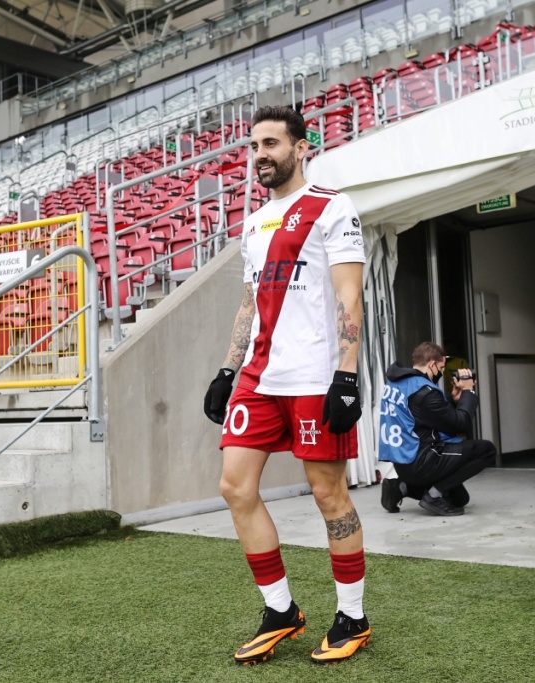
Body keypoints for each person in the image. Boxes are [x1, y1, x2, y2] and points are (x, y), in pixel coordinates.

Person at [202, 106, 370, 665]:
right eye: (254, 146)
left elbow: (349, 296)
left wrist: (347, 375)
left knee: (328, 494)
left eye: (271, 144)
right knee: (235, 487)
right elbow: (250, 302)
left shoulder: (332, 207)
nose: (260, 156)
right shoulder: (254, 223)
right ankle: (281, 611)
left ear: (300, 148)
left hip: (314, 376)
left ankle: (353, 616)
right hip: (259, 376)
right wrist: (228, 370)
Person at [378, 341, 496, 516]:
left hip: (403, 463)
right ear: (432, 365)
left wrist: (453, 399)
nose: (441, 372)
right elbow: (460, 424)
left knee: (459, 498)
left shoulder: (397, 384)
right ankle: (433, 495)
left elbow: (427, 417)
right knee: (487, 450)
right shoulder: (424, 391)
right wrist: (468, 392)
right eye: (441, 368)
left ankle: (401, 487)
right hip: (422, 460)